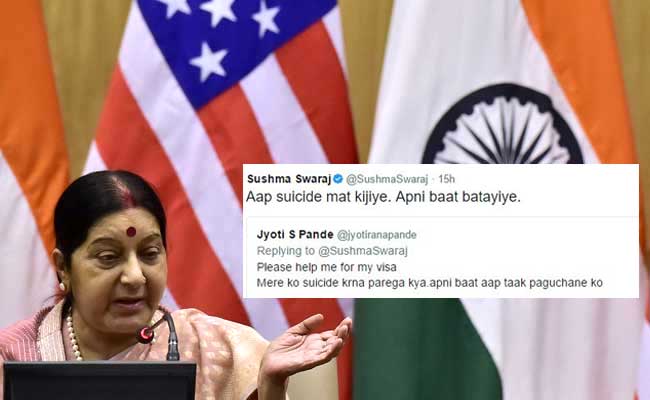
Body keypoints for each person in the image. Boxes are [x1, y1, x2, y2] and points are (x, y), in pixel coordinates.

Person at [0, 170, 352, 399]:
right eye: (108, 257)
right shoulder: (13, 355)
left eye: (150, 253)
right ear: (63, 268)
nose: (135, 276)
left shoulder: (219, 350)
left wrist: (269, 386)